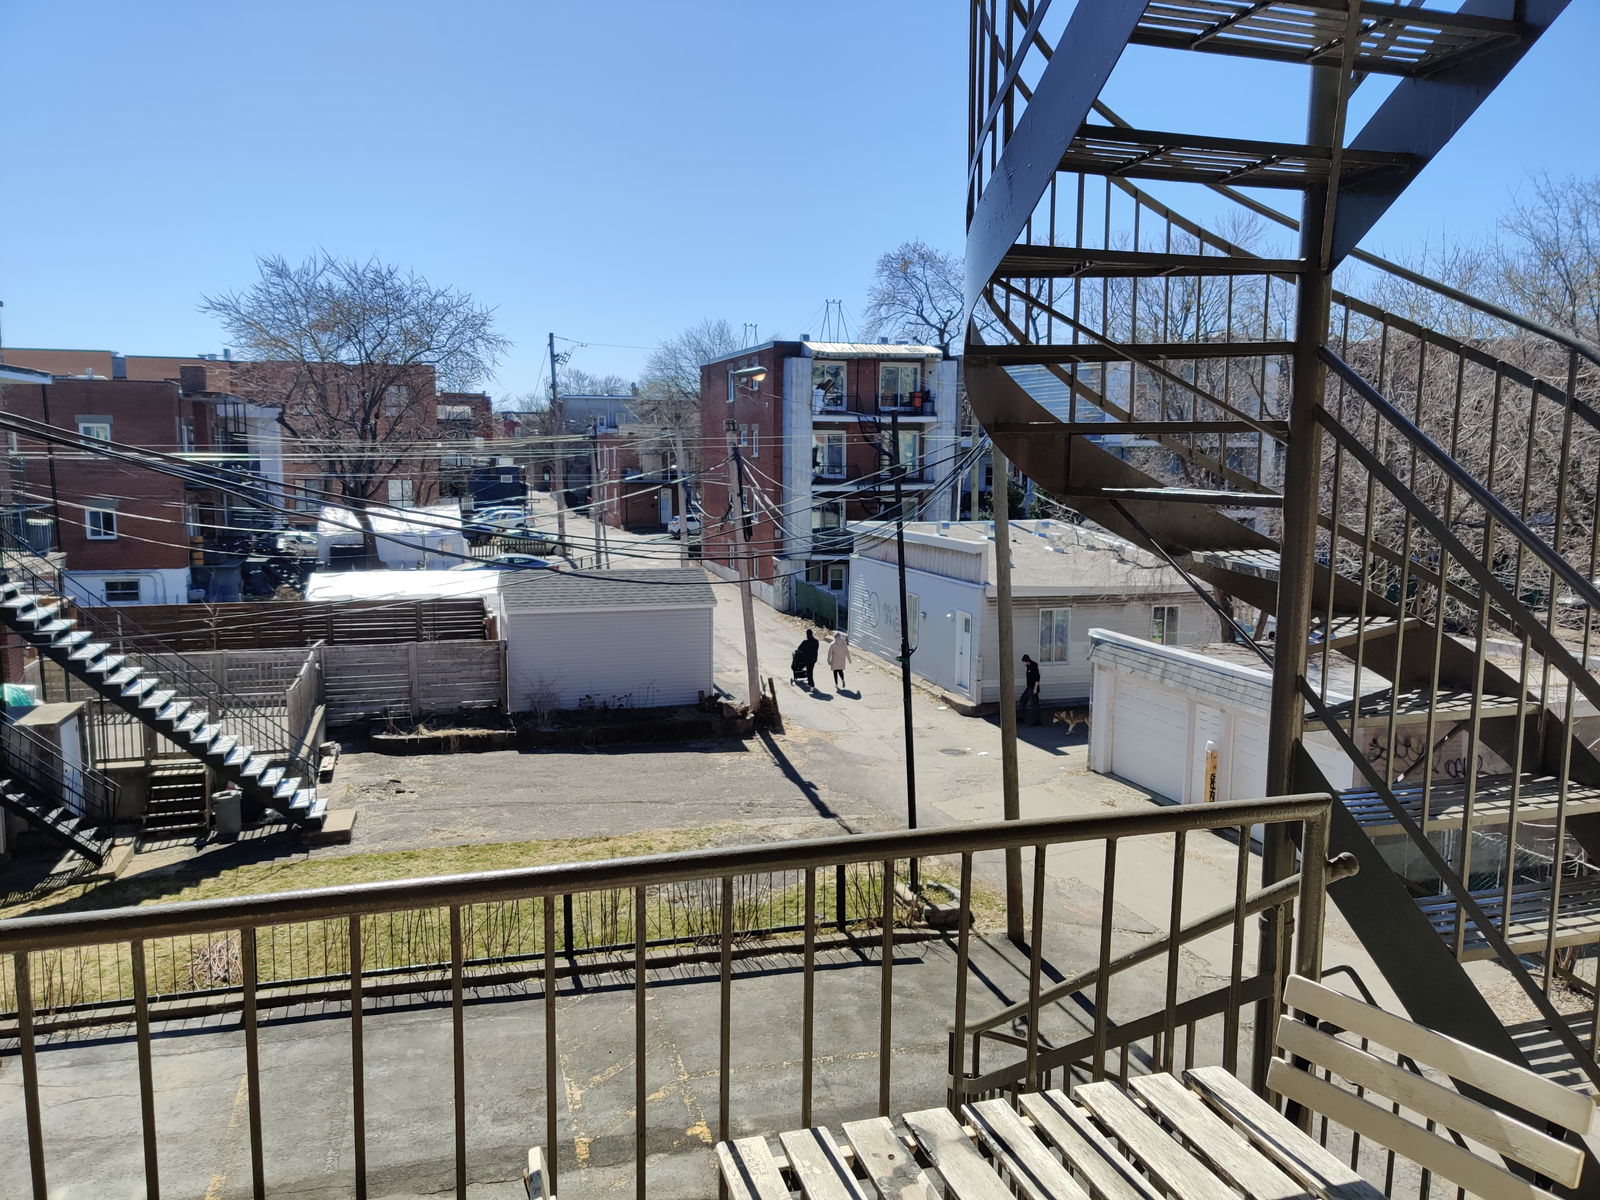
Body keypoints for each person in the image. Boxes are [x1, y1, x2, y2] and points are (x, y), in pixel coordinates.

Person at [1018, 653, 1041, 725]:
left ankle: (1037, 721)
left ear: (1026, 661)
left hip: (1033, 688)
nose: (1023, 663)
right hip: (1029, 688)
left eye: (1023, 662)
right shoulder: (1028, 667)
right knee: (1022, 700)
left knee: (1034, 705)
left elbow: (1037, 679)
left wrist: (1035, 689)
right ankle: (1021, 718)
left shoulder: (1034, 667)